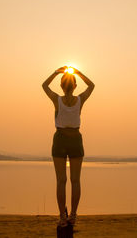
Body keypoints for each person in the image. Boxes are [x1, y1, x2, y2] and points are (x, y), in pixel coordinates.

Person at [42, 66, 95, 227]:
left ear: (61, 86)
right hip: (75, 140)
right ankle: (72, 216)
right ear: (75, 86)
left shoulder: (57, 99)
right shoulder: (80, 99)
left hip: (60, 140)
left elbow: (44, 85)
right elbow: (91, 85)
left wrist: (56, 72)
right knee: (75, 181)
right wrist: (78, 72)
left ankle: (63, 219)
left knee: (61, 181)